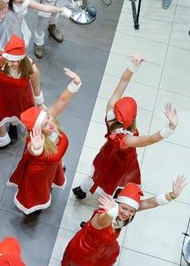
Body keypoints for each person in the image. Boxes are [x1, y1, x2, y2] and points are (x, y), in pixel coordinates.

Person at [73, 56, 177, 198]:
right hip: (121, 163)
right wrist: (170, 127)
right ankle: (108, 199)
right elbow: (150, 139)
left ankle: (81, 190)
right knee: (112, 182)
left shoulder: (109, 113)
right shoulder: (127, 139)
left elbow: (123, 82)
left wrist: (132, 67)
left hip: (106, 154)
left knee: (95, 175)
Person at [62, 179, 185, 266]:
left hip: (103, 248)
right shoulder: (104, 216)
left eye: (131, 211)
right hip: (86, 251)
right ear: (117, 204)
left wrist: (171, 195)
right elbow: (103, 220)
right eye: (124, 208)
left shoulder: (123, 211)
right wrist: (111, 212)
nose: (127, 214)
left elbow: (148, 203)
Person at [8, 68, 80, 214]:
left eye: (47, 118)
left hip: (54, 164)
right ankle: (34, 208)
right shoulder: (34, 140)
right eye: (45, 124)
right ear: (38, 131)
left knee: (51, 179)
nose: (50, 122)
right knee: (37, 192)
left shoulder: (48, 119)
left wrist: (75, 83)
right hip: (38, 173)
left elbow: (62, 100)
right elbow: (33, 148)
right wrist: (37, 149)